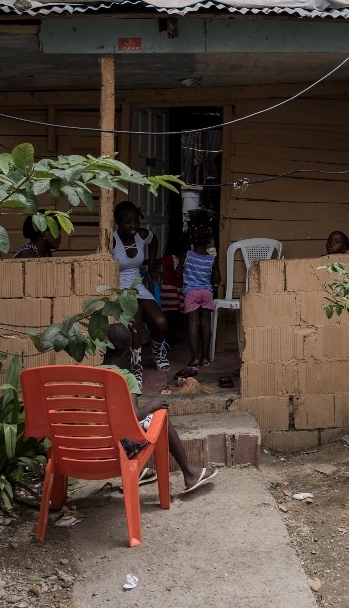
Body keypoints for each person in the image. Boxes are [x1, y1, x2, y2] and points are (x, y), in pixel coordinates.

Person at [101, 323, 217, 494]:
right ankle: (190, 473)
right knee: (160, 417)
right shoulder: (125, 378)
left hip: (91, 449)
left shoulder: (90, 374)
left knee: (114, 423)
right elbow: (135, 415)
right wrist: (151, 405)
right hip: (120, 449)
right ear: (128, 353)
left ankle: (139, 472)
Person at [110, 201, 170, 382]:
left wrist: (151, 267)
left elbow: (154, 240)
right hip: (119, 290)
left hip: (138, 287)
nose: (133, 226)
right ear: (118, 222)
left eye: (135, 221)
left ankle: (156, 352)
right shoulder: (111, 240)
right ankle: (136, 366)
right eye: (128, 222)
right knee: (135, 313)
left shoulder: (141, 236)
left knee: (161, 322)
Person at [180, 222, 220, 370]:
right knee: (206, 325)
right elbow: (217, 280)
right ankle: (205, 357)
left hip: (191, 292)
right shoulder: (212, 259)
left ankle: (194, 358)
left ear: (191, 240)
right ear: (209, 239)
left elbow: (178, 273)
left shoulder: (187, 256)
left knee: (193, 325)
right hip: (207, 292)